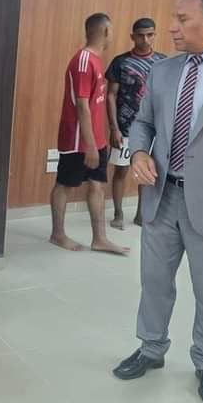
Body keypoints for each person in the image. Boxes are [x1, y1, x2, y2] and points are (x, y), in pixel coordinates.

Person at [113, 0, 203, 403]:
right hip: (161, 197)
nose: (171, 27)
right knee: (154, 281)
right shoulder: (164, 70)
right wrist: (138, 152)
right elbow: (143, 123)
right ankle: (151, 347)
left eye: (182, 19)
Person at [50, 13, 129, 255]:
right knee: (65, 184)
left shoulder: (96, 60)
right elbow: (82, 106)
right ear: (105, 31)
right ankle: (57, 234)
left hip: (97, 138)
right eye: (112, 31)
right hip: (78, 140)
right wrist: (90, 145)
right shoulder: (83, 60)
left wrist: (98, 141)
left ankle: (100, 239)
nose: (112, 35)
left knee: (97, 185)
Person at [106, 18, 166, 230]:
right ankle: (118, 213)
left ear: (155, 35)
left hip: (153, 129)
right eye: (140, 35)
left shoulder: (163, 63)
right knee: (121, 171)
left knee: (147, 172)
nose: (145, 39)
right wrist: (114, 128)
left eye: (150, 35)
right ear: (133, 37)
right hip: (125, 128)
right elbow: (111, 95)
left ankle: (141, 214)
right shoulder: (120, 62)